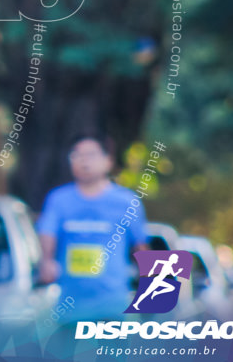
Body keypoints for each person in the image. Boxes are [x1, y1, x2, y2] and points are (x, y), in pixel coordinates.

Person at [36, 133, 149, 321]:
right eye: (76, 155)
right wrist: (46, 261)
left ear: (108, 161)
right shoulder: (58, 200)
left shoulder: (127, 202)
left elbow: (141, 249)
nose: (83, 161)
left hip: (114, 308)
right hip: (70, 310)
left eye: (91, 155)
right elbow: (47, 234)